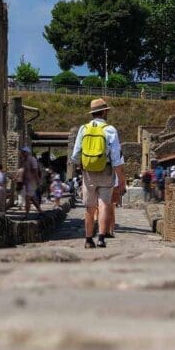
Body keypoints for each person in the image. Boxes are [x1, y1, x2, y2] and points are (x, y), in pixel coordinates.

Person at [71, 98, 125, 249]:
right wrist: (121, 179)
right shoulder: (110, 130)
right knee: (104, 204)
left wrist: (83, 164)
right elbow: (116, 158)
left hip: (88, 173)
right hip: (106, 171)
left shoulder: (84, 129)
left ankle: (88, 239)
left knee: (90, 207)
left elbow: (75, 155)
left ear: (92, 113)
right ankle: (101, 238)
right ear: (105, 111)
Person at [18, 146, 42, 214]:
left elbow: (35, 171)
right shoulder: (24, 160)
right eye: (22, 151)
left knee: (27, 198)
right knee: (32, 198)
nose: (22, 153)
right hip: (27, 182)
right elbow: (24, 172)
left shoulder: (32, 159)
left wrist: (38, 182)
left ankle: (26, 214)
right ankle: (40, 211)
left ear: (27, 152)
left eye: (23, 152)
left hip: (32, 182)